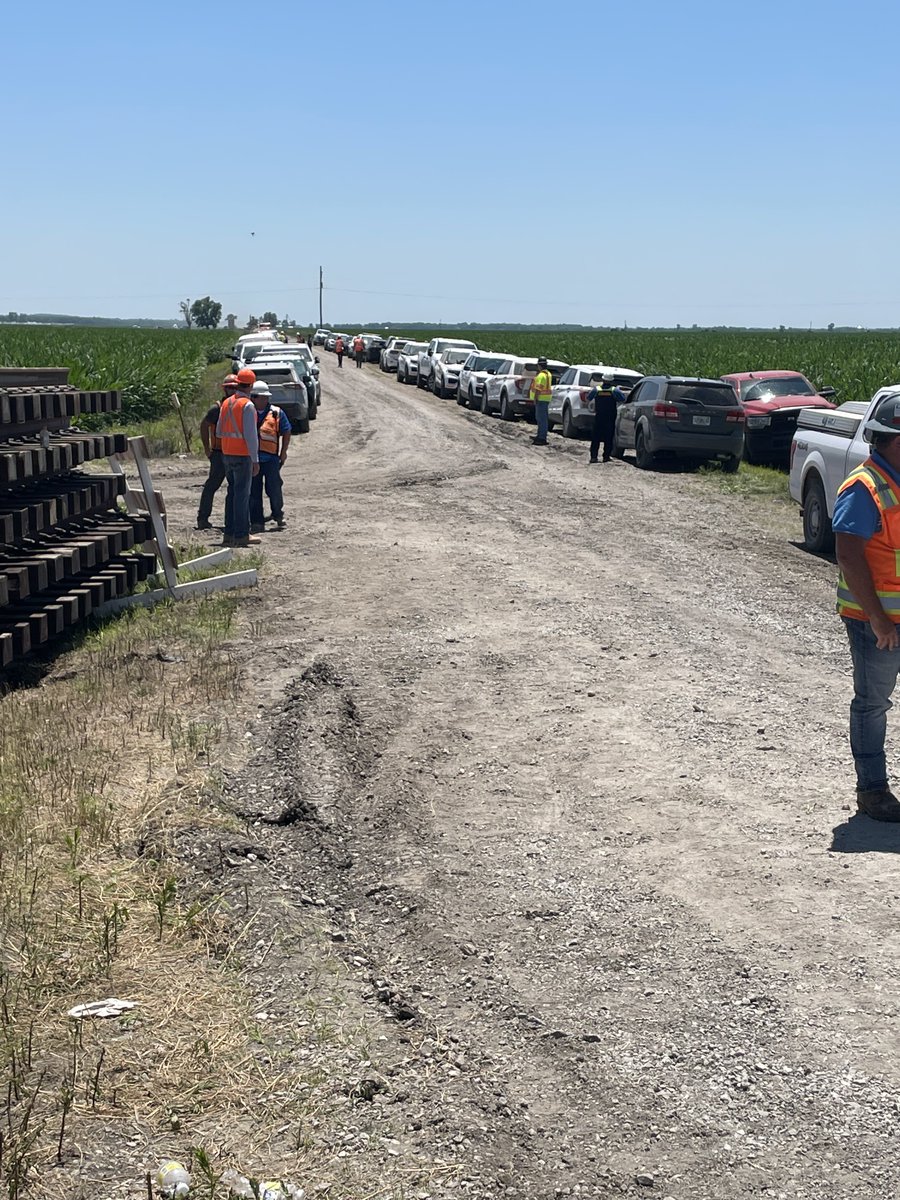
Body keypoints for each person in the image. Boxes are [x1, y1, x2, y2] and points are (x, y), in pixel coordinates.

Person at [834, 393, 900, 821]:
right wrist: (877, 617)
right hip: (877, 622)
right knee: (873, 704)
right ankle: (872, 791)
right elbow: (848, 553)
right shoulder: (865, 486)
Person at [216, 366, 260, 547]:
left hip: (227, 453)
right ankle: (242, 534)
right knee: (242, 495)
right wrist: (255, 459)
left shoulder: (226, 403)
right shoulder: (247, 406)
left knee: (232, 494)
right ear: (251, 385)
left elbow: (219, 431)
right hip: (242, 456)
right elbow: (251, 436)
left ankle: (229, 533)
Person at [249, 380, 292, 533]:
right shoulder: (247, 411)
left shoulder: (276, 412)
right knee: (253, 491)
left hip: (271, 459)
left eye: (266, 397)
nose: (266, 400)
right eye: (262, 397)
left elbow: (286, 431)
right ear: (253, 397)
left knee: (274, 488)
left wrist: (283, 452)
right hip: (252, 458)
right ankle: (256, 521)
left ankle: (278, 514)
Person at [196, 374, 238, 529]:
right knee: (212, 486)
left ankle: (237, 521)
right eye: (229, 387)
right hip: (219, 453)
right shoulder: (217, 409)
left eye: (234, 387)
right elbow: (203, 426)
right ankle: (202, 518)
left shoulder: (241, 406)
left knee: (236, 488)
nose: (232, 390)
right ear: (224, 389)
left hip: (235, 453)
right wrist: (207, 449)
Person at [588, 373, 626, 463]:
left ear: (603, 380)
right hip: (610, 417)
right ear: (611, 381)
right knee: (608, 437)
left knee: (595, 437)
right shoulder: (614, 391)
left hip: (598, 417)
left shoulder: (596, 390)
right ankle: (606, 456)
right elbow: (622, 399)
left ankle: (594, 457)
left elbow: (589, 397)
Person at [529, 357, 552, 446]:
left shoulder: (541, 375)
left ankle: (541, 438)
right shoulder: (548, 374)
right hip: (545, 399)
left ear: (539, 365)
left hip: (541, 399)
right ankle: (540, 435)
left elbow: (538, 388)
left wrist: (535, 398)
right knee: (542, 419)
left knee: (541, 419)